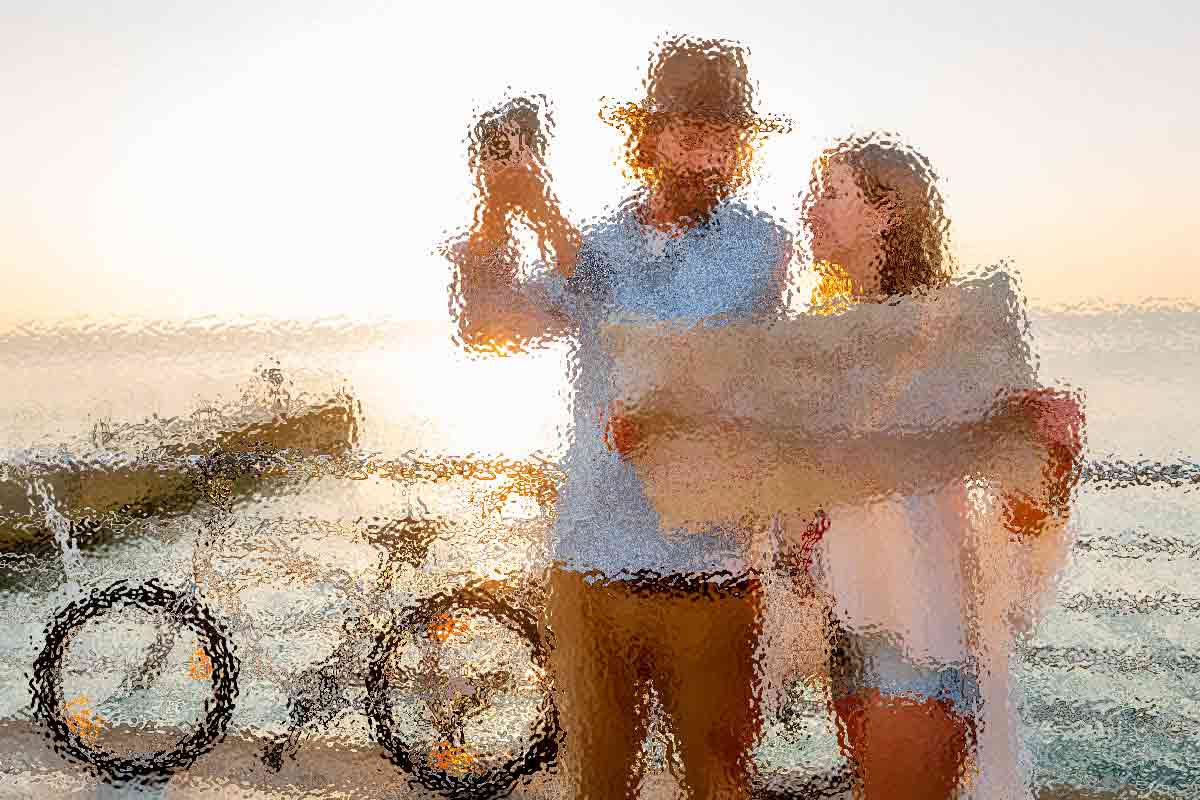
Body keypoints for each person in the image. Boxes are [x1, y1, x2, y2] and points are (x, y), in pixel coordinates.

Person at [451, 34, 792, 798]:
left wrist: (543, 210)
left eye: (723, 135)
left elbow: (654, 332)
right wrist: (496, 210)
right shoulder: (599, 242)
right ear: (651, 136)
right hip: (588, 565)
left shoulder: (760, 246)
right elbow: (486, 325)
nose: (707, 152)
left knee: (720, 786)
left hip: (709, 572)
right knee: (596, 784)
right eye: (689, 130)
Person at [799, 133, 1084, 800]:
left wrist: (1052, 458)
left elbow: (1022, 507)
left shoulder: (955, 335)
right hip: (848, 622)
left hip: (921, 632)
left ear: (886, 213)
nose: (811, 209)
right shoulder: (829, 335)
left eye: (831, 194)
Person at [445, 95, 580, 354]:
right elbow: (476, 331)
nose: (514, 166)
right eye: (501, 153)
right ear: (482, 165)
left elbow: (588, 300)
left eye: (526, 150)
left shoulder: (580, 236)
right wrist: (494, 217)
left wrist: (545, 213)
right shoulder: (464, 248)